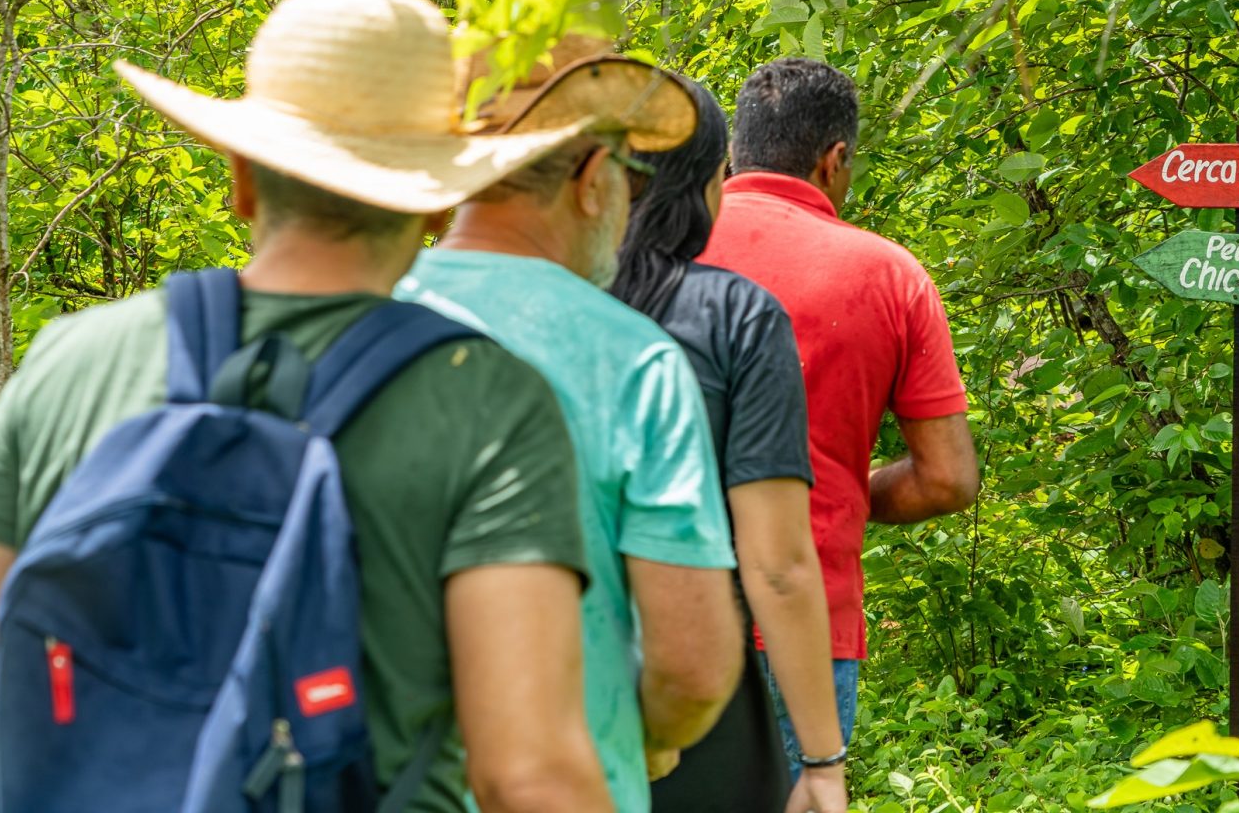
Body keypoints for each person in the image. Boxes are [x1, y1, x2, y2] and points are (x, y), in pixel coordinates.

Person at [0, 0, 612, 813]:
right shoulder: (488, 400)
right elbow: (529, 776)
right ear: (437, 199)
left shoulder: (73, 360)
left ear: (240, 180)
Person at [398, 39, 745, 813]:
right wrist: (646, 732)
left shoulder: (365, 324)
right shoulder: (633, 363)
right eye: (628, 174)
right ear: (593, 182)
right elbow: (691, 667)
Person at [700, 57, 980, 771]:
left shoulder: (654, 248)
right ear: (835, 159)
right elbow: (948, 478)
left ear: (735, 152)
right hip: (808, 622)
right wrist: (847, 489)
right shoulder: (888, 274)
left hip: (652, 607)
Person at [610, 80, 849, 813]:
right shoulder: (734, 315)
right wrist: (821, 758)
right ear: (705, 185)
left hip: (539, 678)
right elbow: (776, 563)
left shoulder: (546, 305)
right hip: (699, 684)